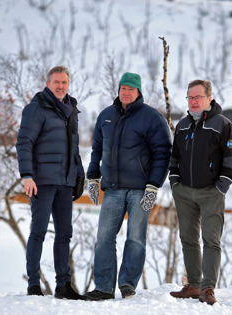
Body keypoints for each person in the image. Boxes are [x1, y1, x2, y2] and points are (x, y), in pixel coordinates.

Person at [84, 72, 172, 300]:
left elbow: (163, 153)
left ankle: (127, 285)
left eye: (131, 89)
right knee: (104, 237)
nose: (126, 92)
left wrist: (154, 185)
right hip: (112, 188)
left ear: (138, 91)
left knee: (135, 237)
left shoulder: (152, 118)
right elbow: (96, 150)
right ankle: (103, 287)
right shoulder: (105, 115)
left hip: (140, 189)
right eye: (123, 87)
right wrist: (93, 177)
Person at [16, 65, 85, 300]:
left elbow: (74, 148)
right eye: (56, 82)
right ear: (47, 84)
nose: (60, 86)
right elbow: (24, 142)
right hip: (42, 182)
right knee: (38, 232)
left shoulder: (71, 110)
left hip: (65, 182)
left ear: (68, 84)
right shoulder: (36, 109)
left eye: (64, 82)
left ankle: (63, 286)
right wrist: (27, 175)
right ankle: (33, 285)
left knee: (65, 234)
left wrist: (79, 175)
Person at [168, 79, 232, 305]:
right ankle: (193, 285)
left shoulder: (222, 124)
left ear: (209, 98)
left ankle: (208, 288)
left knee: (211, 241)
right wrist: (175, 182)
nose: (193, 102)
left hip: (211, 192)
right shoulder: (182, 126)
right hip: (185, 192)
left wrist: (221, 186)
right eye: (190, 98)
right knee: (188, 239)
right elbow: (174, 158)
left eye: (198, 97)